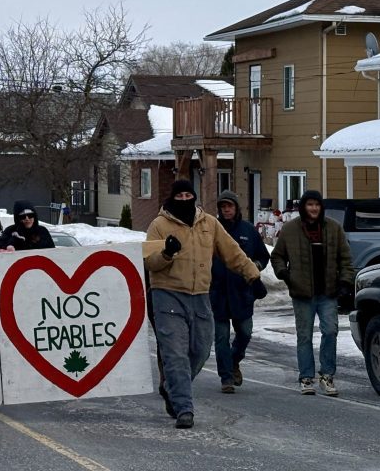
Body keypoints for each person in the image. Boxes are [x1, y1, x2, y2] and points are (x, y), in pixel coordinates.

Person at [145, 180, 261, 429]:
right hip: (167, 295)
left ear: (194, 197)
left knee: (200, 351)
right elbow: (149, 262)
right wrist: (166, 253)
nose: (185, 199)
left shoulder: (208, 223)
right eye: (180, 195)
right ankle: (184, 408)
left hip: (200, 296)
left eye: (189, 195)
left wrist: (252, 274)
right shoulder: (159, 225)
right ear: (173, 197)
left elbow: (232, 252)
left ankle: (172, 387)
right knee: (175, 354)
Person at [270, 190, 354, 397]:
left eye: (317, 204)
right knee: (304, 336)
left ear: (321, 207)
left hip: (328, 291)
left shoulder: (334, 229)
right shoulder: (290, 230)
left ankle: (327, 375)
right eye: (310, 205)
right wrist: (285, 274)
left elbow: (345, 259)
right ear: (303, 207)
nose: (313, 208)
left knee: (330, 332)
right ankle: (306, 377)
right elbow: (277, 256)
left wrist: (345, 281)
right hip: (302, 292)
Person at [210, 191, 270, 393]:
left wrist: (255, 267)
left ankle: (234, 360)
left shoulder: (248, 230)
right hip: (217, 293)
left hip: (242, 292)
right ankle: (226, 377)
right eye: (223, 206)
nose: (226, 209)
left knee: (245, 333)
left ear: (236, 208)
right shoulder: (212, 231)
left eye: (230, 206)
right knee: (221, 338)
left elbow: (263, 255)